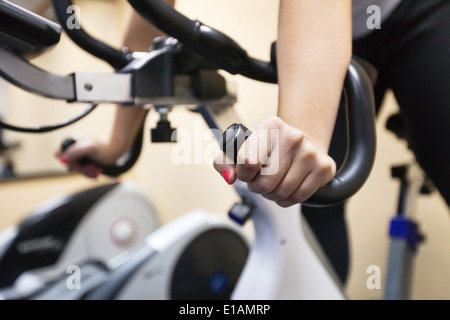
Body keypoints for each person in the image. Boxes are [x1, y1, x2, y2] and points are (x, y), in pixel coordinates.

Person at [57, 0, 450, 285]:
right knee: (308, 209)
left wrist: (300, 138)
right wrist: (118, 145)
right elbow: (152, 14)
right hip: (334, 33)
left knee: (299, 174)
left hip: (417, 14)